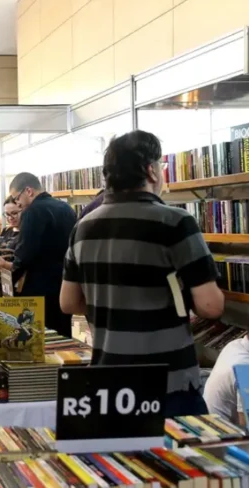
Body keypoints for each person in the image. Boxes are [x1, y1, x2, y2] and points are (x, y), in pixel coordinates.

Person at [59, 130, 226, 417]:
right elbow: (211, 306)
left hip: (108, 378)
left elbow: (69, 303)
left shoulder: (83, 227)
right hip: (168, 381)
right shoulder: (175, 222)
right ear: (151, 170)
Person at [0, 173, 76, 336]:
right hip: (64, 285)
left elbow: (25, 255)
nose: (18, 203)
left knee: (35, 338)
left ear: (28, 191)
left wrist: (7, 278)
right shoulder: (66, 209)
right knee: (62, 337)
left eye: (17, 198)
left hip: (37, 288)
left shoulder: (32, 212)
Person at [0, 198, 21, 298]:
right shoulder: (6, 231)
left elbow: (23, 266)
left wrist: (4, 264)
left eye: (14, 213)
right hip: (1, 288)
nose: (10, 218)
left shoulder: (27, 234)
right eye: (7, 214)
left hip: (18, 290)